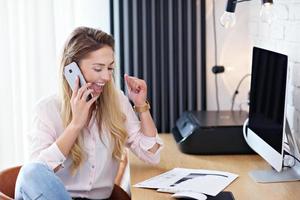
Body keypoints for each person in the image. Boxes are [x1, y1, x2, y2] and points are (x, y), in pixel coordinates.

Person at [15, 26, 163, 200]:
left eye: (110, 68)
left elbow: (152, 155)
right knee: (30, 171)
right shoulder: (47, 109)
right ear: (72, 69)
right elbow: (38, 173)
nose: (107, 78)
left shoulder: (117, 102)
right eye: (98, 69)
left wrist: (141, 106)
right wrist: (75, 125)